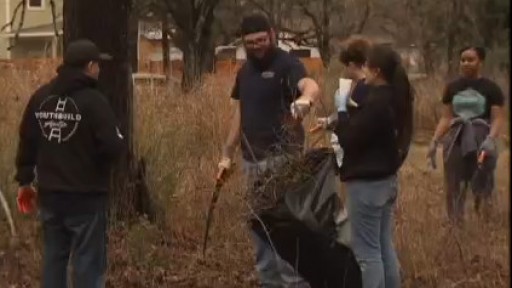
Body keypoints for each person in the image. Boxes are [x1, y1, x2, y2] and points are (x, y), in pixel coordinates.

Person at [216, 13, 320, 288]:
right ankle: (269, 283)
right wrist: (227, 153)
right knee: (261, 232)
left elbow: (309, 86)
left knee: (286, 232)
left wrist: (306, 100)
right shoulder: (244, 72)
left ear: (272, 35)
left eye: (262, 40)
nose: (257, 46)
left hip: (283, 160)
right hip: (252, 162)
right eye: (251, 42)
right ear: (244, 42)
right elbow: (240, 113)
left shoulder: (288, 64)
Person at [14, 39, 125, 288]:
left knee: (54, 260)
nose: (99, 70)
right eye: (97, 65)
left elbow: (27, 141)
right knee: (88, 264)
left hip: (51, 198)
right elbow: (113, 146)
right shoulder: (94, 102)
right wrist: (101, 166)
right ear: (89, 66)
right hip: (86, 199)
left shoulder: (41, 98)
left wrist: (24, 180)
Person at [333, 44, 414, 288]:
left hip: (367, 185)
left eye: (366, 65)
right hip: (386, 181)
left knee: (367, 254)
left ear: (377, 71)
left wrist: (342, 110)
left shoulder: (377, 103)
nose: (363, 69)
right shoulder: (395, 98)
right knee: (383, 246)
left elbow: (349, 139)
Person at [426, 46, 505, 223]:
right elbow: (446, 117)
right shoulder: (452, 87)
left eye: (471, 59)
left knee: (482, 180)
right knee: (453, 183)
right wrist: (434, 141)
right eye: (463, 60)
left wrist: (491, 139)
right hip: (457, 137)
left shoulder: (491, 88)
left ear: (480, 62)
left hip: (481, 137)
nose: (466, 63)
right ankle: (455, 223)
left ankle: (483, 222)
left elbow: (498, 118)